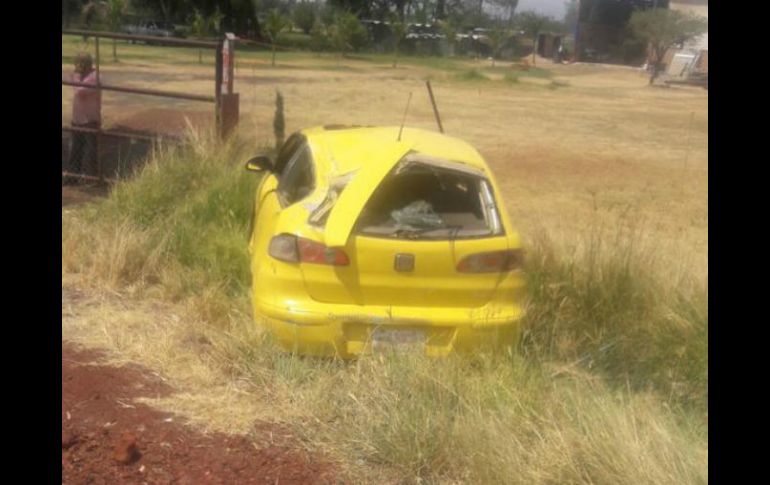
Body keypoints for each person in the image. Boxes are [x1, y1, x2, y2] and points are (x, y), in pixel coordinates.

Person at [67, 52, 101, 183]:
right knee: (75, 149)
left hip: (90, 120)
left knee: (90, 151)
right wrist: (75, 77)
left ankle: (91, 179)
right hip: (77, 119)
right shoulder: (79, 77)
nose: (78, 66)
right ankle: (72, 177)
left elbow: (80, 91)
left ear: (88, 64)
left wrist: (75, 77)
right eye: (77, 63)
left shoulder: (94, 77)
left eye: (82, 63)